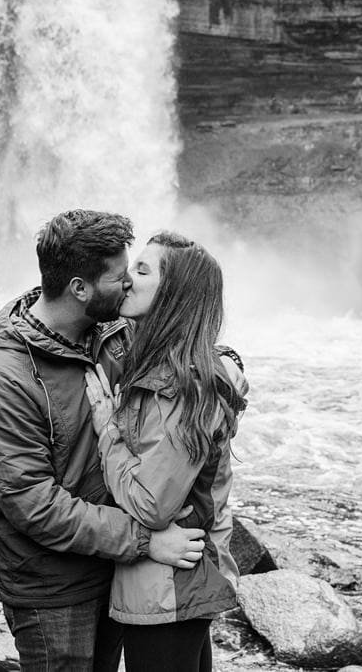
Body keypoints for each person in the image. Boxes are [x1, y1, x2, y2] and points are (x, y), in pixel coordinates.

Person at [0, 210, 208, 672]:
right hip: (54, 589)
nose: (131, 285)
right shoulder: (4, 381)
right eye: (121, 276)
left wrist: (227, 369)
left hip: (113, 569)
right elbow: (34, 505)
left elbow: (188, 347)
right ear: (80, 288)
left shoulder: (113, 336)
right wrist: (143, 540)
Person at [84, 231, 249, 672]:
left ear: (172, 294)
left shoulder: (182, 386)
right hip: (175, 586)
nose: (126, 280)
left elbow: (151, 505)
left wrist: (107, 430)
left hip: (171, 588)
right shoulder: (170, 367)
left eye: (141, 271)